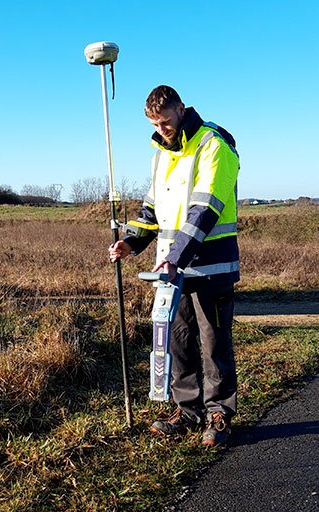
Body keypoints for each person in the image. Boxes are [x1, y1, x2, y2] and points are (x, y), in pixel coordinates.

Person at [109, 85, 240, 446]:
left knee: (214, 341)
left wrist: (174, 257)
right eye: (154, 123)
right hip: (172, 271)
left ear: (181, 109)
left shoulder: (214, 144)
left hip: (210, 266)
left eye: (166, 122)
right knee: (179, 341)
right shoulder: (161, 153)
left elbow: (205, 209)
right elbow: (153, 210)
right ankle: (188, 410)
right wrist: (132, 242)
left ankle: (219, 414)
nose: (161, 129)